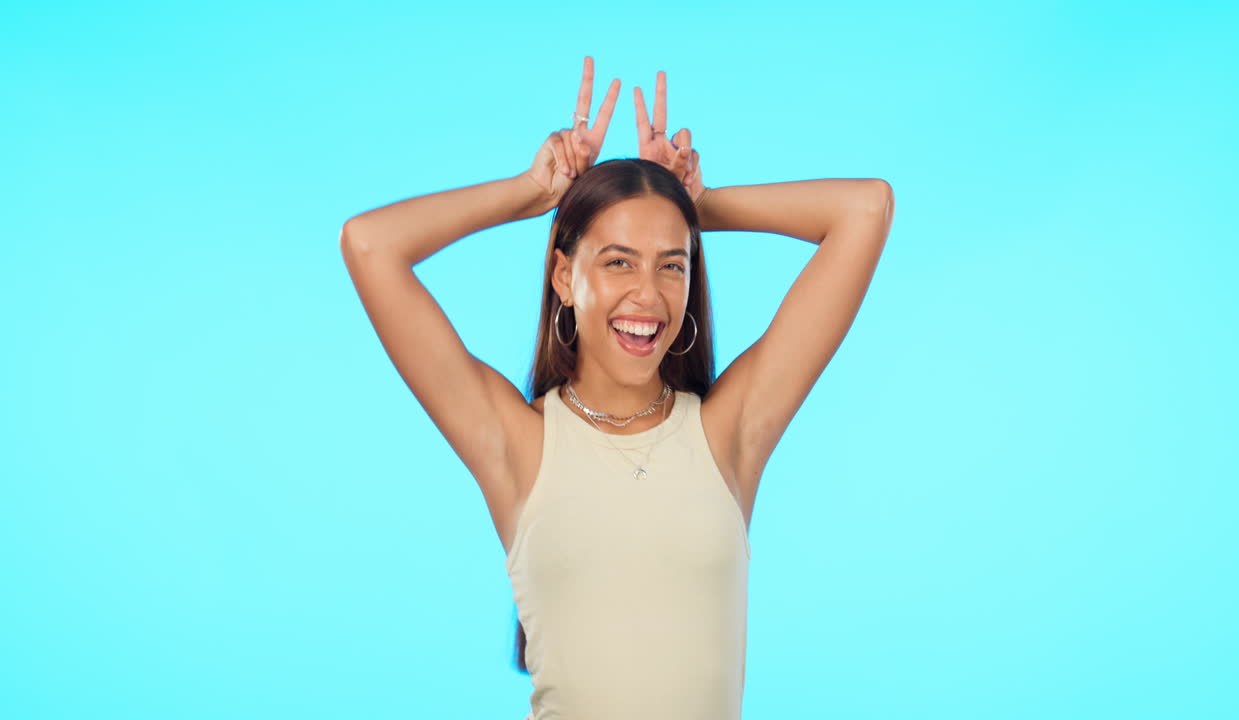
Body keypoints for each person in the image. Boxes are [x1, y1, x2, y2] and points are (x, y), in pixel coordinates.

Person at [340, 55, 895, 720]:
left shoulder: (728, 435)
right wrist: (532, 194)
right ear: (563, 279)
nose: (647, 295)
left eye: (671, 265)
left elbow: (866, 209)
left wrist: (696, 205)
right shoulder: (518, 446)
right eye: (617, 262)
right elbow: (369, 245)